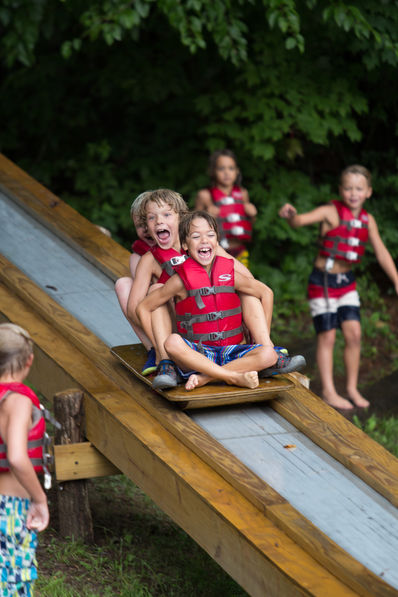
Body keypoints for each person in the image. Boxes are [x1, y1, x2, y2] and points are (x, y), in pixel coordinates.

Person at [127, 190, 304, 387]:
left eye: (166, 215)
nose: (159, 221)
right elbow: (139, 307)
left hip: (225, 331)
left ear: (181, 217)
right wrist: (162, 347)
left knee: (247, 290)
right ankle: (167, 363)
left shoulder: (214, 253)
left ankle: (258, 351)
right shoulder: (152, 261)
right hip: (185, 330)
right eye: (152, 218)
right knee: (157, 292)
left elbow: (257, 286)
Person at [279, 164, 398, 410]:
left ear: (368, 192)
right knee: (328, 336)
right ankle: (330, 392)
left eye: (359, 188)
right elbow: (300, 220)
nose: (353, 193)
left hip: (346, 282)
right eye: (348, 188)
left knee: (354, 333)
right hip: (323, 282)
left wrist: (396, 279)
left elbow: (382, 253)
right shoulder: (330, 211)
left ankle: (352, 388)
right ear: (341, 190)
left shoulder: (368, 220)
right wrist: (291, 216)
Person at [0, 323, 50, 596]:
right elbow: (17, 457)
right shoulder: (17, 401)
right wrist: (39, 499)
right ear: (29, 360)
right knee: (14, 585)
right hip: (9, 510)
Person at [114, 192, 157, 375]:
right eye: (140, 226)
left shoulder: (182, 243)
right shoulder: (138, 255)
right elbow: (141, 293)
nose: (146, 230)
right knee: (123, 284)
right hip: (150, 309)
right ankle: (153, 349)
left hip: (184, 312)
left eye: (149, 222)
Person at [195, 149, 257, 268]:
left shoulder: (243, 193)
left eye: (231, 168)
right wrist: (206, 217)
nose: (226, 173)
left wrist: (252, 215)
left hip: (239, 250)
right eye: (221, 168)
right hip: (213, 252)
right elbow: (191, 229)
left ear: (237, 171)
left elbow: (249, 225)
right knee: (217, 285)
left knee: (242, 284)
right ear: (213, 171)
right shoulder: (205, 196)